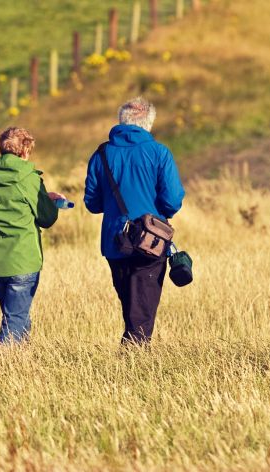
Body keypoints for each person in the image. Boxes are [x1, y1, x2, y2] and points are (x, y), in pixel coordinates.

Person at [84, 97, 185, 344]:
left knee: (131, 307)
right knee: (141, 312)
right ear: (149, 123)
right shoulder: (159, 153)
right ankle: (133, 362)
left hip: (114, 242)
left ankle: (131, 359)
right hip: (151, 241)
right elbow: (172, 200)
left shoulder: (101, 154)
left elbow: (92, 203)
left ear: (122, 120)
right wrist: (156, 212)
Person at [0, 127, 65, 343]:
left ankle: (21, 364)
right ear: (25, 150)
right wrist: (51, 203)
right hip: (22, 259)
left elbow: (1, 202)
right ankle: (3, 368)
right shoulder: (29, 177)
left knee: (17, 316)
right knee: (15, 318)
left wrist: (42, 196)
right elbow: (46, 218)